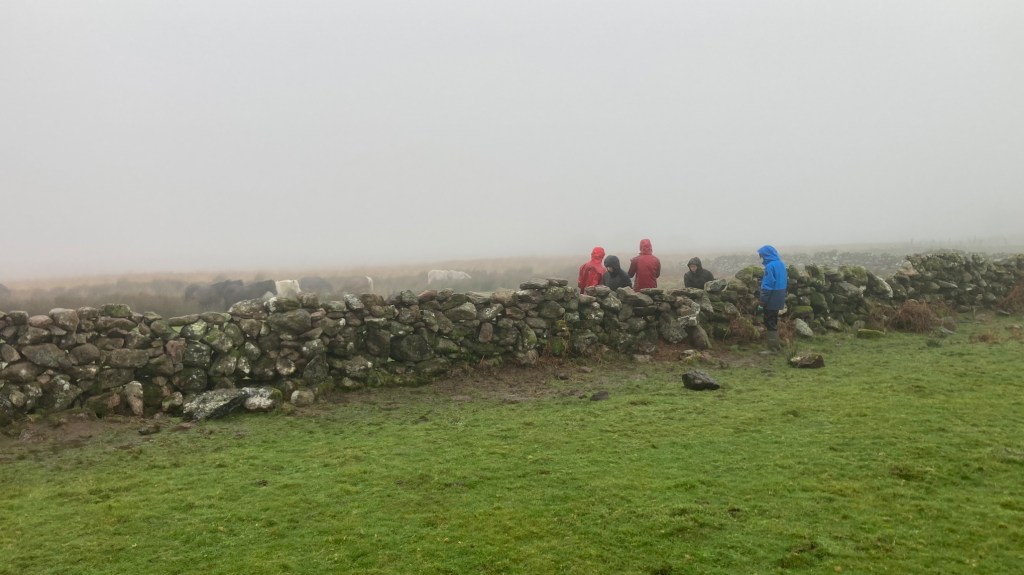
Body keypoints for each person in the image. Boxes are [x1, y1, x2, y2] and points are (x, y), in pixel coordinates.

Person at [757, 245, 788, 354]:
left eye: (761, 255)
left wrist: (762, 301)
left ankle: (773, 349)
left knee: (769, 321)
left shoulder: (770, 266)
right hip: (780, 295)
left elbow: (767, 285)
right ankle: (777, 346)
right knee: (773, 320)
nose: (761, 258)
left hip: (772, 297)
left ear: (766, 255)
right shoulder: (781, 264)